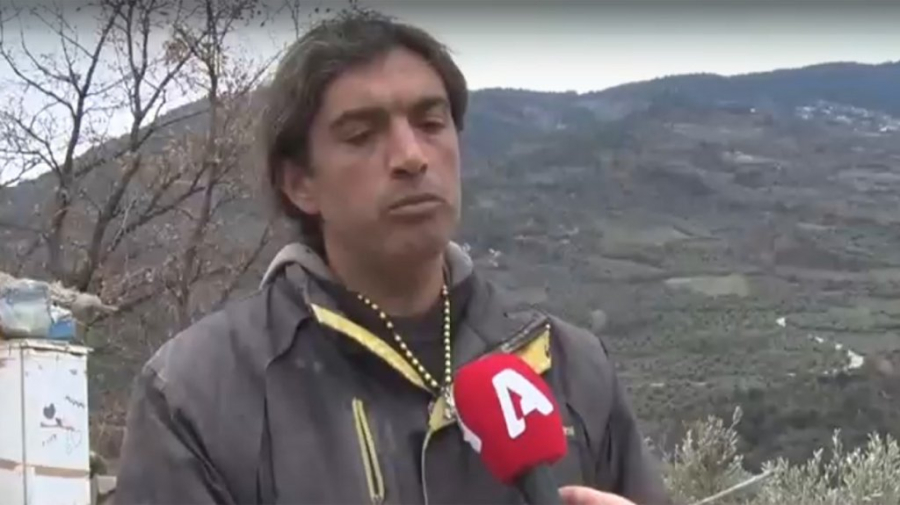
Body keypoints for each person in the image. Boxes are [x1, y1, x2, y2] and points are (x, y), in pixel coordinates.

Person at [114, 8, 671, 505]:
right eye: (361, 134)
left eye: (431, 124)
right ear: (300, 182)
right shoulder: (196, 396)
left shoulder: (571, 366)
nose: (411, 156)